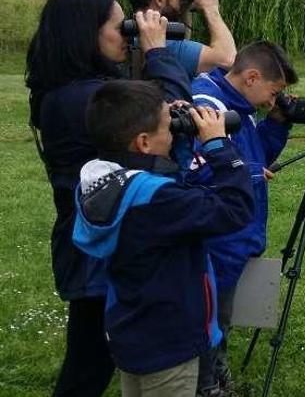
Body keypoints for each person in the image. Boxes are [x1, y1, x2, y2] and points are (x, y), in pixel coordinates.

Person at [25, 0, 192, 397]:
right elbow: (173, 119)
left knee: (94, 357)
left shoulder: (70, 91)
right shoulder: (86, 98)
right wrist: (157, 53)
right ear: (86, 33)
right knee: (88, 366)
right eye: (121, 27)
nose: (128, 34)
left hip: (90, 236)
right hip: (98, 251)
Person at [72, 80, 254, 396]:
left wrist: (178, 139)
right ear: (143, 142)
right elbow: (235, 209)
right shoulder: (158, 200)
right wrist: (217, 146)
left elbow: (166, 183)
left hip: (133, 332)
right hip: (170, 342)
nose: (173, 132)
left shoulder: (106, 182)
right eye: (168, 128)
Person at [191, 40, 298, 396]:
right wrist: (249, 170)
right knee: (210, 317)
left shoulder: (242, 105)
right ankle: (206, 386)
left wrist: (277, 123)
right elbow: (196, 169)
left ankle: (216, 374)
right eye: (274, 91)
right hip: (218, 239)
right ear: (252, 77)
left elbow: (259, 155)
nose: (273, 99)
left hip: (239, 233)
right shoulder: (207, 106)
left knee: (222, 316)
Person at [124, 0, 236, 77]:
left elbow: (183, 44)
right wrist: (210, 7)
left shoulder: (133, 36)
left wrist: (184, 8)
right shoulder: (166, 46)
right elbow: (229, 60)